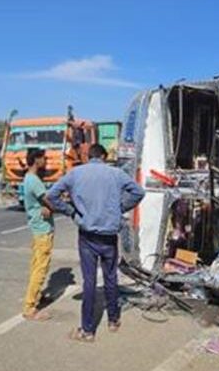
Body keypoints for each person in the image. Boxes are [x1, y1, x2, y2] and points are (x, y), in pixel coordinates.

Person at [46, 144, 145, 342]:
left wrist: (71, 211)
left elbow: (52, 196)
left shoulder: (75, 174)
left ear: (88, 156)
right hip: (109, 235)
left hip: (87, 236)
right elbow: (138, 192)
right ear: (103, 156)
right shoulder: (116, 173)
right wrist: (119, 208)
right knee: (110, 277)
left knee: (89, 282)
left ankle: (88, 330)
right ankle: (113, 320)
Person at [22, 147, 55, 321]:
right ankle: (29, 307)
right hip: (42, 230)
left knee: (36, 265)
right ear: (36, 160)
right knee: (40, 269)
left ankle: (37, 296)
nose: (46, 161)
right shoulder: (34, 180)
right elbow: (47, 200)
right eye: (44, 158)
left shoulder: (29, 178)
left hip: (38, 228)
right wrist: (54, 207)